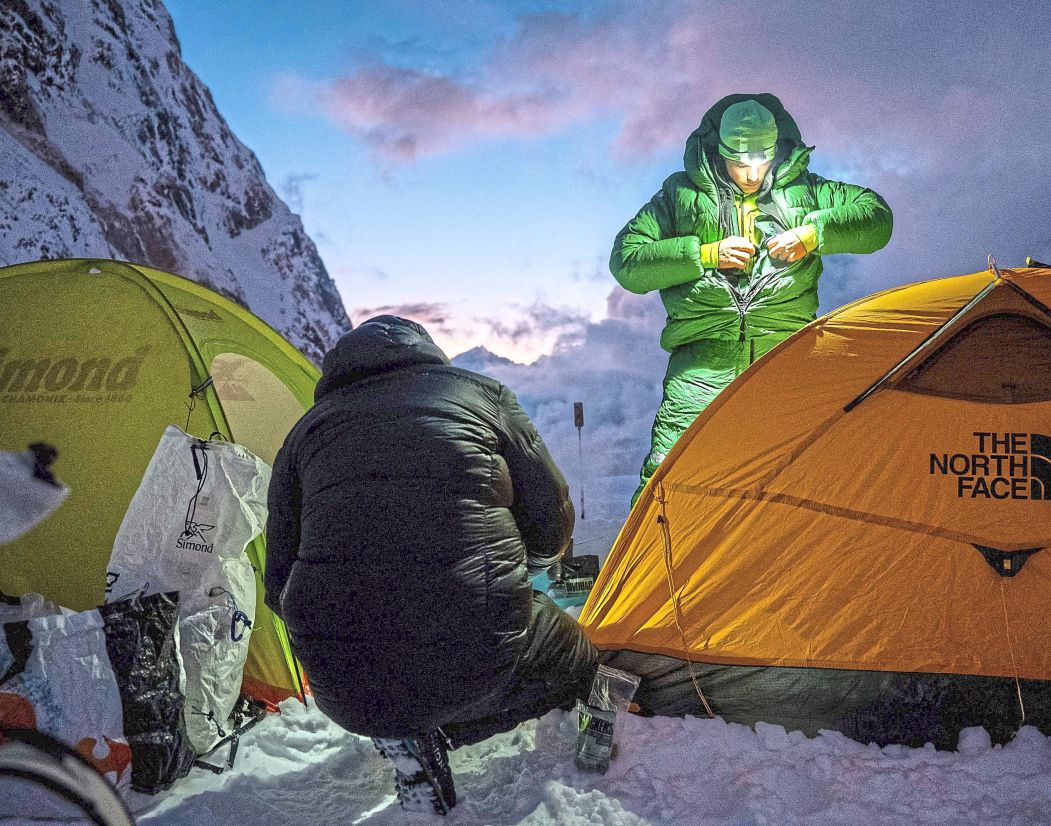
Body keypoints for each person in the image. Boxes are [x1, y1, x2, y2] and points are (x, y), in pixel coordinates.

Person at [264, 316, 598, 815]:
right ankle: (445, 729)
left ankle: (404, 729)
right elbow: (551, 523)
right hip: (476, 651)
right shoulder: (484, 396)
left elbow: (277, 584)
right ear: (426, 353)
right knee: (576, 659)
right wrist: (520, 572)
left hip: (343, 684)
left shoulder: (303, 434)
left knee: (409, 670)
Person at [611, 93, 893, 503]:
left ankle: (794, 567)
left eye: (760, 162)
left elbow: (877, 218)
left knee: (800, 477)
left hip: (786, 360)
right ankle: (652, 566)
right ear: (719, 152)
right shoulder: (678, 195)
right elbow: (627, 260)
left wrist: (812, 235)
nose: (751, 173)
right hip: (701, 367)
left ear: (776, 149)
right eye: (740, 163)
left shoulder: (807, 191)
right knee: (670, 480)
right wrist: (705, 254)